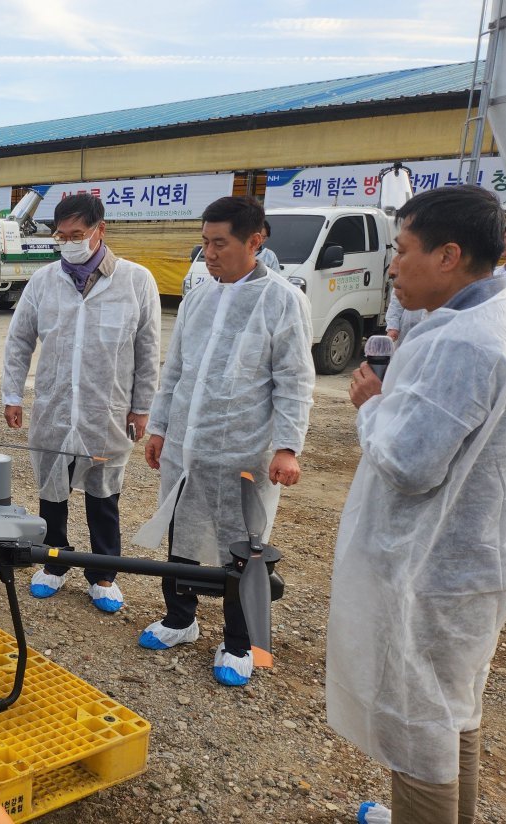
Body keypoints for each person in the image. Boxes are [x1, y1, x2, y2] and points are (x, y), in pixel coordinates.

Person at [326, 185, 506, 824]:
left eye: (402, 250)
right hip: (469, 562)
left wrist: (371, 406)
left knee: (419, 734)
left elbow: (411, 464)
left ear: (448, 255)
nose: (392, 265)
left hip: (432, 572)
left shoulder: (463, 342)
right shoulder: (502, 321)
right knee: (450, 716)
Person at [133, 195, 314, 687]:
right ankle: (180, 618)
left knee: (243, 546)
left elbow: (294, 380)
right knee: (183, 533)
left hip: (244, 447)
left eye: (220, 244)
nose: (209, 254)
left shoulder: (282, 300)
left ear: (255, 241)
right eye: (205, 243)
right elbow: (177, 370)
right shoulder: (199, 295)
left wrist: (287, 446)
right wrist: (161, 427)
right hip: (188, 445)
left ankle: (238, 641)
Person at [2, 193, 161, 613]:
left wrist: (142, 407)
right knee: (52, 489)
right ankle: (55, 562)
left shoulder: (136, 280)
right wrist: (12, 394)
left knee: (103, 494)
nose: (69, 242)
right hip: (54, 406)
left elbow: (147, 350)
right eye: (62, 235)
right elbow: (20, 340)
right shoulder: (44, 281)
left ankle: (103, 574)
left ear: (100, 230)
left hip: (105, 408)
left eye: (78, 234)